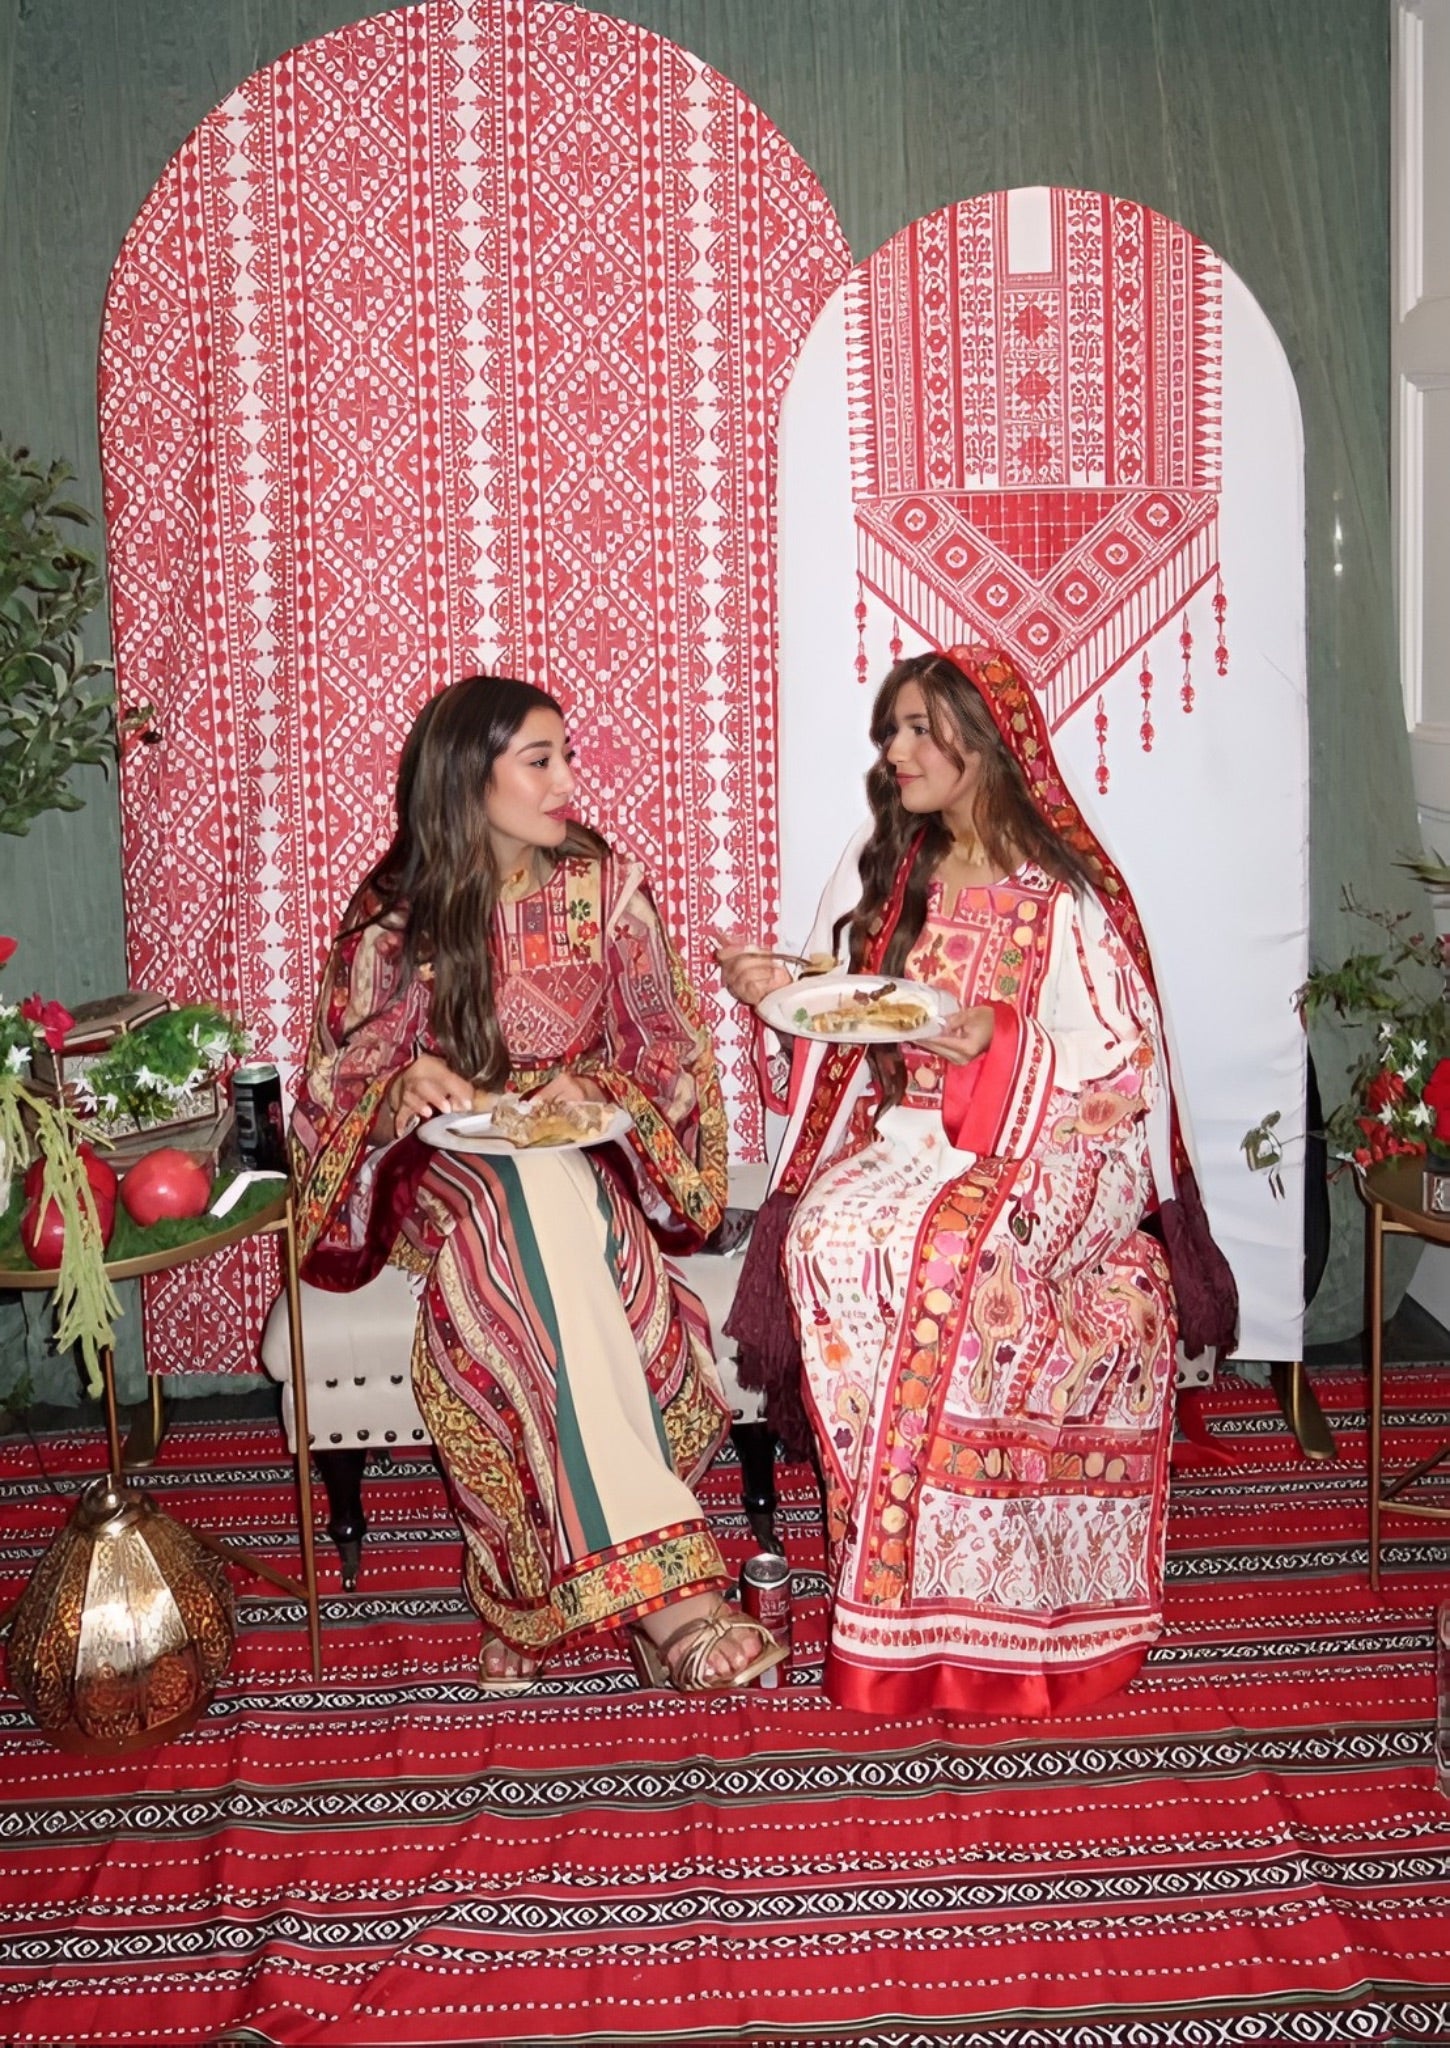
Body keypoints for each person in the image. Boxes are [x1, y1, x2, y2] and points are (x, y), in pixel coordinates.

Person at [721, 646, 1236, 1718]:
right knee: (828, 1244)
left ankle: (991, 1603)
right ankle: (891, 1589)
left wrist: (995, 1038)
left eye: (919, 729)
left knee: (947, 1253)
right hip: (911, 1131)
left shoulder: (1065, 894)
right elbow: (833, 1011)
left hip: (1052, 1138)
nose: (895, 752)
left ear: (986, 743)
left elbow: (1124, 1065)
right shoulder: (882, 863)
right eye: (891, 731)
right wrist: (772, 988)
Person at [290, 674, 787, 1692]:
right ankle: (671, 1600)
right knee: (514, 1204)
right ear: (468, 779)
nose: (568, 782)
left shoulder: (607, 894)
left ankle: (533, 1595)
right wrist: (397, 1090)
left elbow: (667, 1056)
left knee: (533, 1222)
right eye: (541, 760)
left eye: (567, 756)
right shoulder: (394, 917)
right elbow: (333, 1085)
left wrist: (589, 1085)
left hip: (583, 1159)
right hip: (442, 1174)